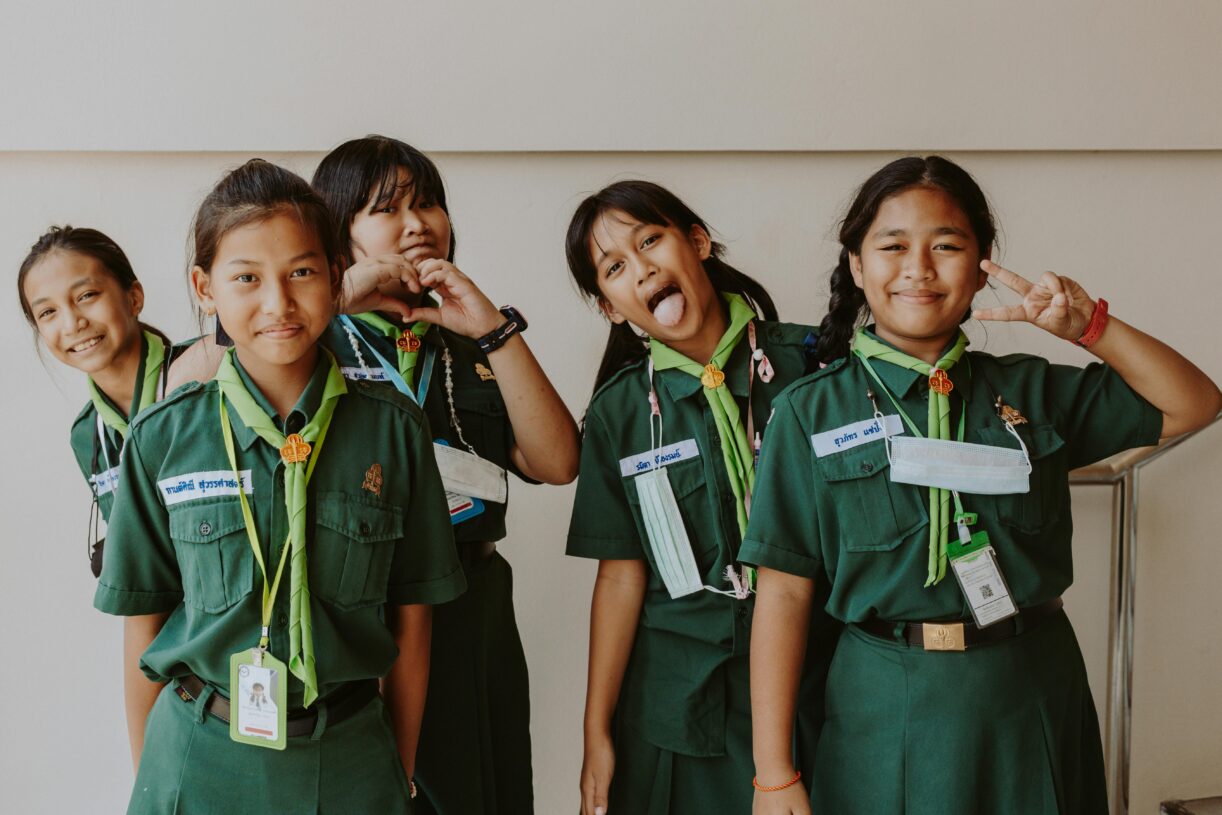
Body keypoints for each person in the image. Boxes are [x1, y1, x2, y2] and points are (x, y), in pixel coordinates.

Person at [742, 155, 1222, 815]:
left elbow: (1194, 404)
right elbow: (784, 592)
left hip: (1030, 696)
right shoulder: (809, 411)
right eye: (892, 246)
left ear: (982, 264)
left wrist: (1090, 326)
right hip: (885, 705)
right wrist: (773, 772)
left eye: (946, 245)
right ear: (856, 263)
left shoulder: (1031, 389)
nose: (918, 267)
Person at [93, 158, 466, 814]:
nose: (278, 304)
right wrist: (149, 771)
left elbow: (414, 614)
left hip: (350, 755)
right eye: (246, 278)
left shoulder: (393, 430)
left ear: (334, 278)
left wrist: (397, 763)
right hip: (198, 751)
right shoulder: (164, 437)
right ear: (204, 288)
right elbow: (142, 621)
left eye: (301, 272)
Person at [564, 180, 840, 815]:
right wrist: (595, 733)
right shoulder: (621, 412)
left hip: (816, 687)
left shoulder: (814, 366)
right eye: (614, 267)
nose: (642, 270)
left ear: (697, 241)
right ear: (609, 305)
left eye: (651, 240)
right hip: (677, 708)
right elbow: (620, 577)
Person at [18, 226, 184, 577]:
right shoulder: (87, 436)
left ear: (134, 297)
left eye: (86, 295)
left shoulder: (204, 377)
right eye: (47, 312)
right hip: (171, 621)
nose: (72, 323)